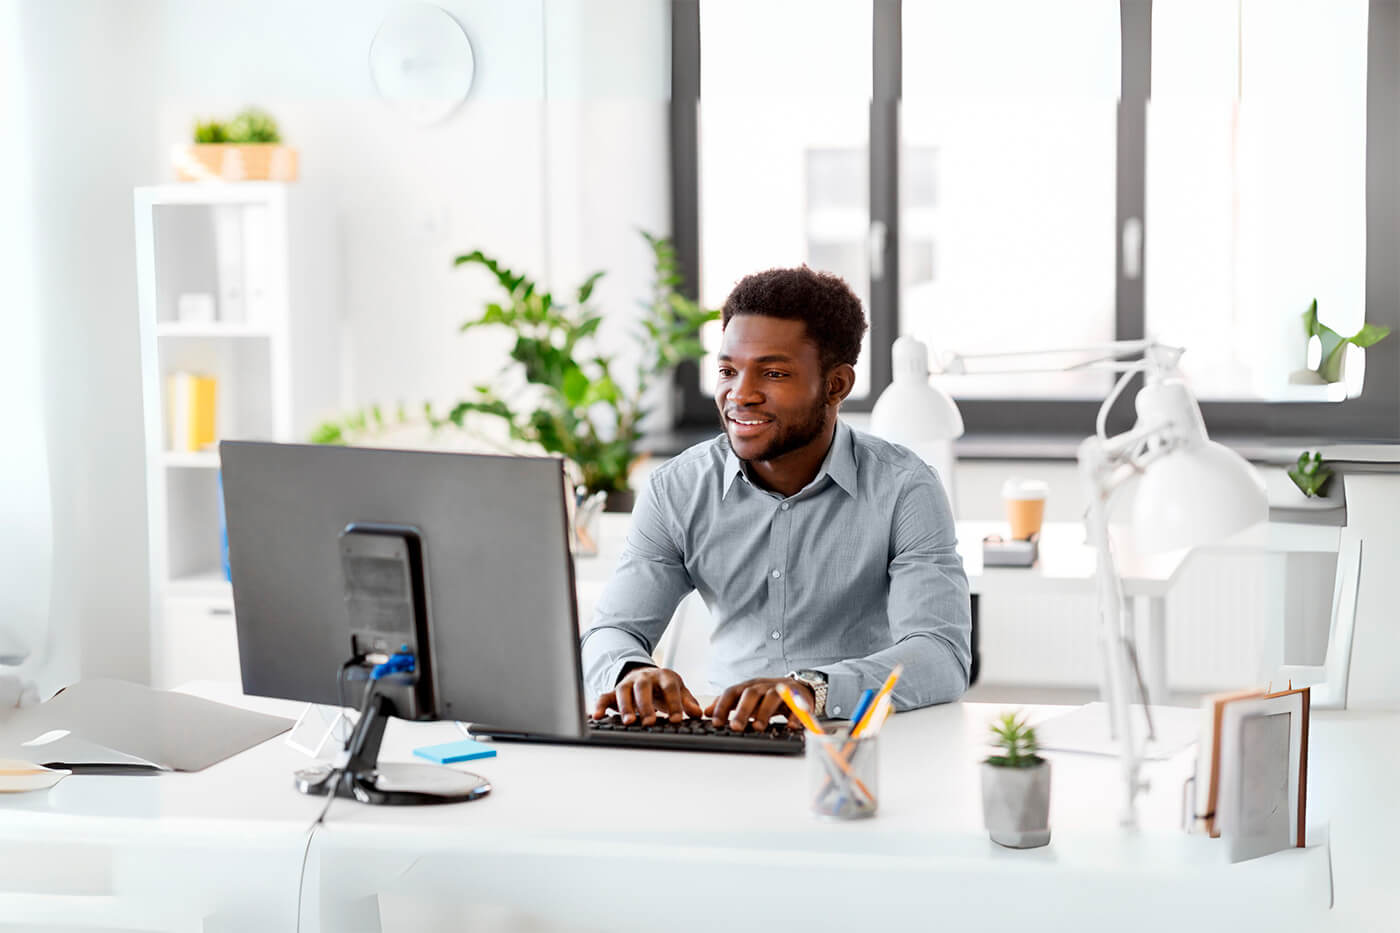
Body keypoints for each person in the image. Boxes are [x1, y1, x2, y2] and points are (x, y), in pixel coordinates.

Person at [581, 266, 971, 730]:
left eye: (773, 373)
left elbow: (940, 655)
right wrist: (630, 671)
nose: (739, 395)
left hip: (856, 740)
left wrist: (811, 689)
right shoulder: (677, 488)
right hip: (722, 741)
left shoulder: (905, 488)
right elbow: (611, 631)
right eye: (728, 370)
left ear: (836, 385)